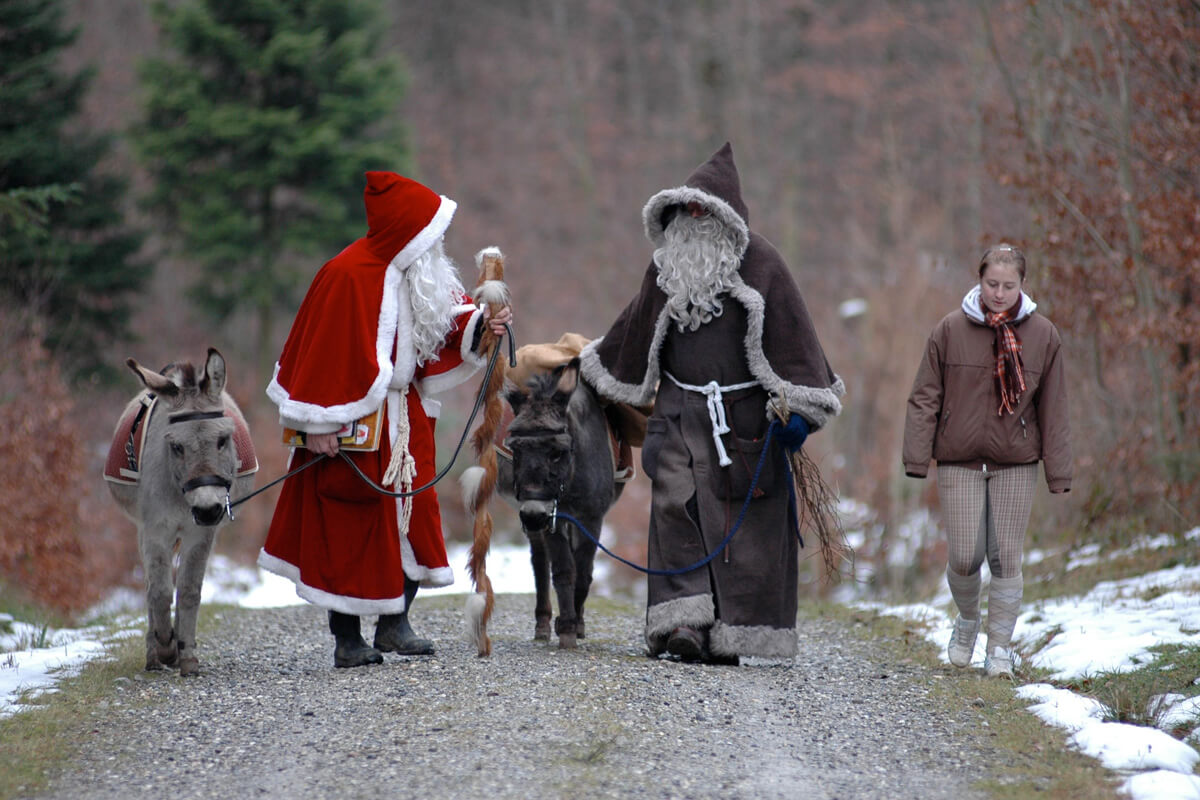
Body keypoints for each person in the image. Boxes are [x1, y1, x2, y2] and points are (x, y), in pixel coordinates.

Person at [580, 143, 845, 665]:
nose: (694, 218)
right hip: (678, 412)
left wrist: (799, 414)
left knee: (742, 529)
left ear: (726, 216)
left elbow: (798, 345)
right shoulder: (665, 269)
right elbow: (629, 338)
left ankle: (735, 631)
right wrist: (582, 376)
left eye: (705, 209)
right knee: (676, 511)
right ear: (673, 215)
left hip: (747, 422)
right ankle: (683, 626)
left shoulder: (765, 265)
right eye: (686, 209)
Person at [258, 171, 511, 668]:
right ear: (408, 230)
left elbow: (449, 322)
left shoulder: (421, 275)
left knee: (414, 518)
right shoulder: (345, 274)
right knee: (350, 527)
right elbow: (316, 356)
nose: (438, 245)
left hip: (407, 418)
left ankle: (396, 624)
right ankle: (348, 638)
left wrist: (485, 325)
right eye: (431, 233)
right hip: (350, 422)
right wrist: (318, 425)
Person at [903, 244, 1071, 679]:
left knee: (1005, 556)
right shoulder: (949, 330)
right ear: (979, 281)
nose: (999, 293)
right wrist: (918, 456)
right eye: (992, 284)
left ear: (1022, 285)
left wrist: (1058, 469)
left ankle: (999, 648)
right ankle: (968, 621)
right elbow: (925, 397)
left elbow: (1054, 409)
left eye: (1008, 285)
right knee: (964, 556)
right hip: (958, 459)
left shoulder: (1044, 336)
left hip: (1015, 460)